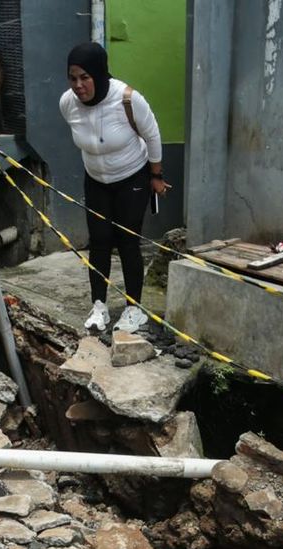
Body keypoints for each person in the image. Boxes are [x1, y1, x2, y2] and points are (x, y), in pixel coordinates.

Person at [59, 42, 170, 333]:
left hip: (132, 177)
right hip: (96, 180)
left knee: (126, 240)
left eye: (85, 77)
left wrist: (156, 175)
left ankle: (134, 309)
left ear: (99, 73)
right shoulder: (67, 104)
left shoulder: (127, 99)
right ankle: (100, 306)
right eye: (73, 78)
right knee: (98, 241)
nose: (79, 85)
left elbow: (153, 134)